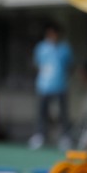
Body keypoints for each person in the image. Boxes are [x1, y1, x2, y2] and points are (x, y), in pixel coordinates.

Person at [29, 22, 74, 150]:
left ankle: (65, 137)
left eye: (54, 33)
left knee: (63, 113)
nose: (52, 35)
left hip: (60, 85)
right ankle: (40, 135)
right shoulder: (41, 47)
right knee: (42, 113)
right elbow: (37, 65)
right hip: (43, 85)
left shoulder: (65, 48)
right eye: (50, 33)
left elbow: (70, 66)